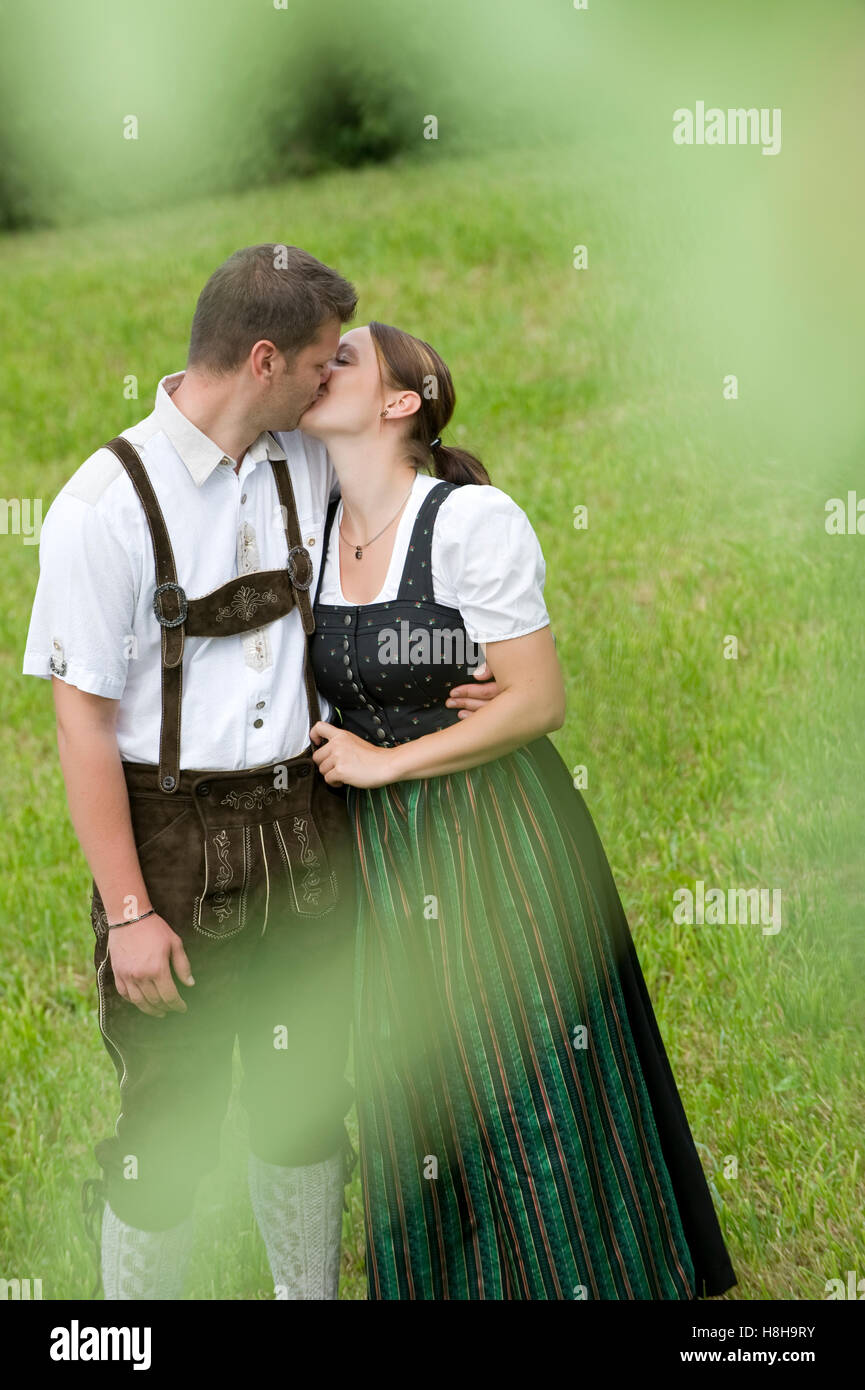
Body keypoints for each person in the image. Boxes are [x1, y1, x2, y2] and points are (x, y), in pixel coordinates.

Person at [21, 247, 500, 1301]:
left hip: (305, 827)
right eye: (325, 363)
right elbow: (82, 726)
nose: (335, 382)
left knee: (304, 1099)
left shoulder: (305, 459)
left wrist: (466, 668)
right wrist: (130, 909)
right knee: (166, 1115)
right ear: (266, 359)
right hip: (173, 852)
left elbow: (410, 511)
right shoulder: (103, 506)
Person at [302, 321, 739, 1300]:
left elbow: (539, 700)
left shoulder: (466, 520)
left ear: (398, 401)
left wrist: (386, 761)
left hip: (491, 827)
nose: (314, 364)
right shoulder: (317, 524)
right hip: (385, 854)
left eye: (343, 358)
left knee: (530, 1065)